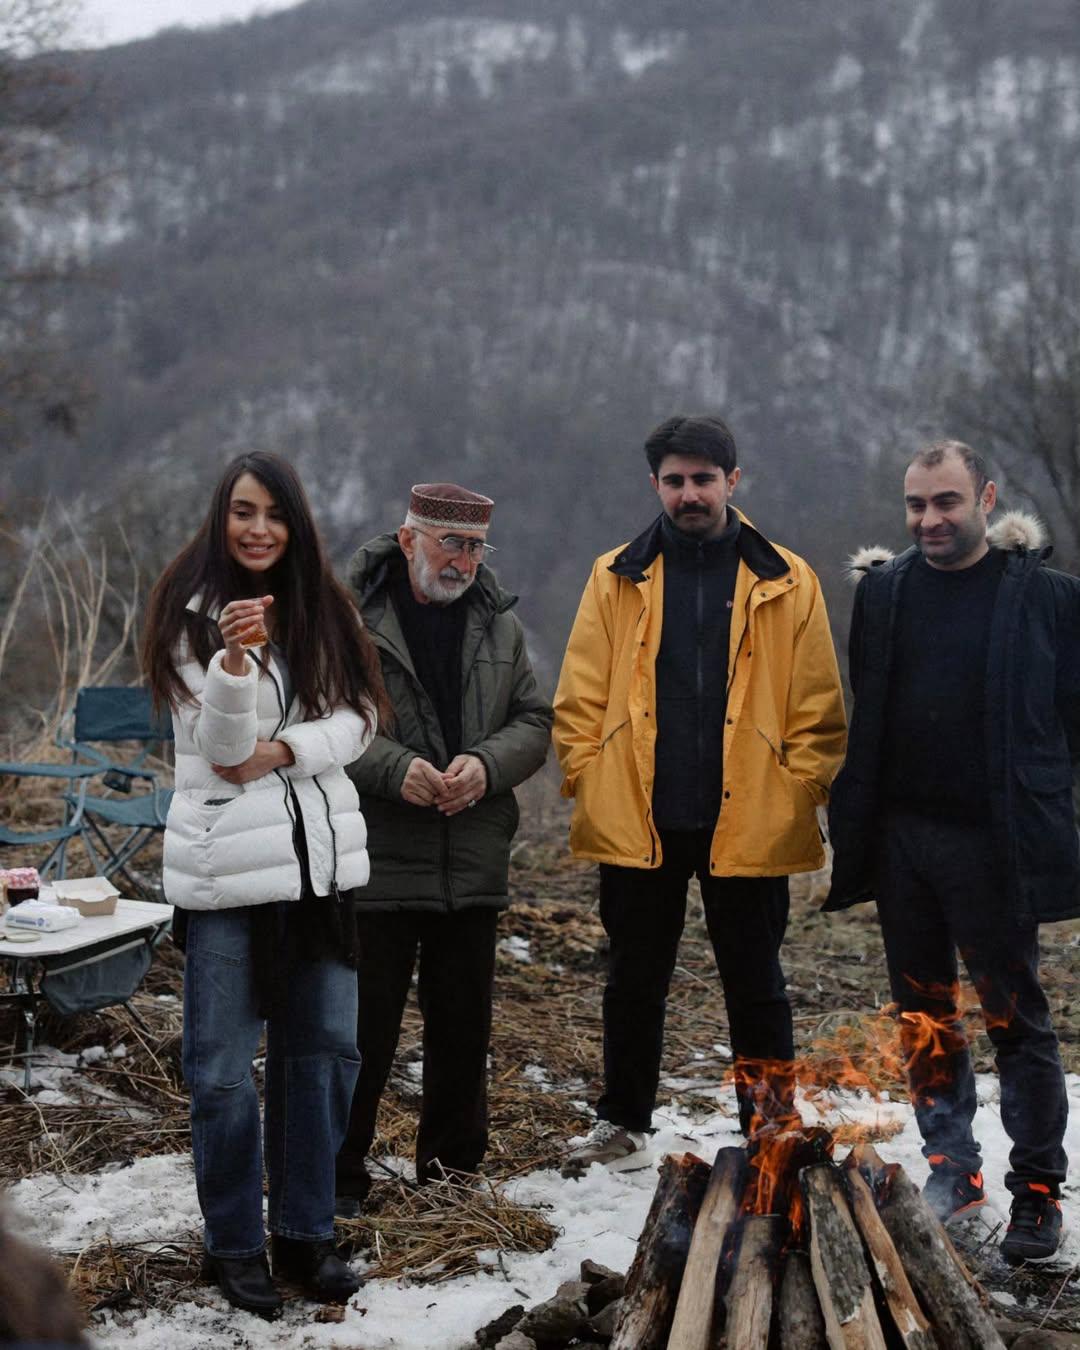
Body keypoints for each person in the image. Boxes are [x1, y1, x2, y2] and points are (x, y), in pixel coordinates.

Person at [552, 415, 847, 1175]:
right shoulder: (614, 574)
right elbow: (580, 694)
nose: (690, 494)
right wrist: (588, 773)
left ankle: (771, 1127)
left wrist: (799, 786)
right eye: (675, 481)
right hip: (640, 814)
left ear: (732, 481)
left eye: (704, 479)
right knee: (633, 979)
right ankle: (623, 1122)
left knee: (757, 984)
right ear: (655, 484)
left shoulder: (789, 578)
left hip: (748, 816)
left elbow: (818, 706)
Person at [143, 452, 389, 1317]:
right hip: (225, 874)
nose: (258, 529)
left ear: (296, 523)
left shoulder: (324, 606)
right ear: (221, 517)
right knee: (219, 1071)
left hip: (318, 869)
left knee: (322, 1057)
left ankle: (305, 1234)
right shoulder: (189, 614)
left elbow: (361, 717)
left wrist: (285, 749)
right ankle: (234, 1245)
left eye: (274, 513)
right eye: (243, 511)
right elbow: (218, 752)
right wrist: (236, 665)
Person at [826, 439, 1079, 1262]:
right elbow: (869, 707)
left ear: (986, 499)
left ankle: (1037, 1193)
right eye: (916, 504)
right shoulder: (884, 592)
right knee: (925, 1016)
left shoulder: (1044, 597)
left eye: (946, 502)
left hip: (995, 844)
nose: (929, 519)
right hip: (904, 842)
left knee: (1017, 1021)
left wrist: (1048, 809)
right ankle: (952, 1170)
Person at [334, 483, 552, 1213]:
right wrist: (395, 770)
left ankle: (453, 1182)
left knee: (462, 1031)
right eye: (449, 543)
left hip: (469, 857)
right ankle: (336, 1181)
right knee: (360, 1032)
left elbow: (534, 721)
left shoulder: (499, 623)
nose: (463, 561)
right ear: (408, 540)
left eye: (476, 547)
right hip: (377, 857)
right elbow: (322, 720)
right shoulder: (349, 619)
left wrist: (486, 767)